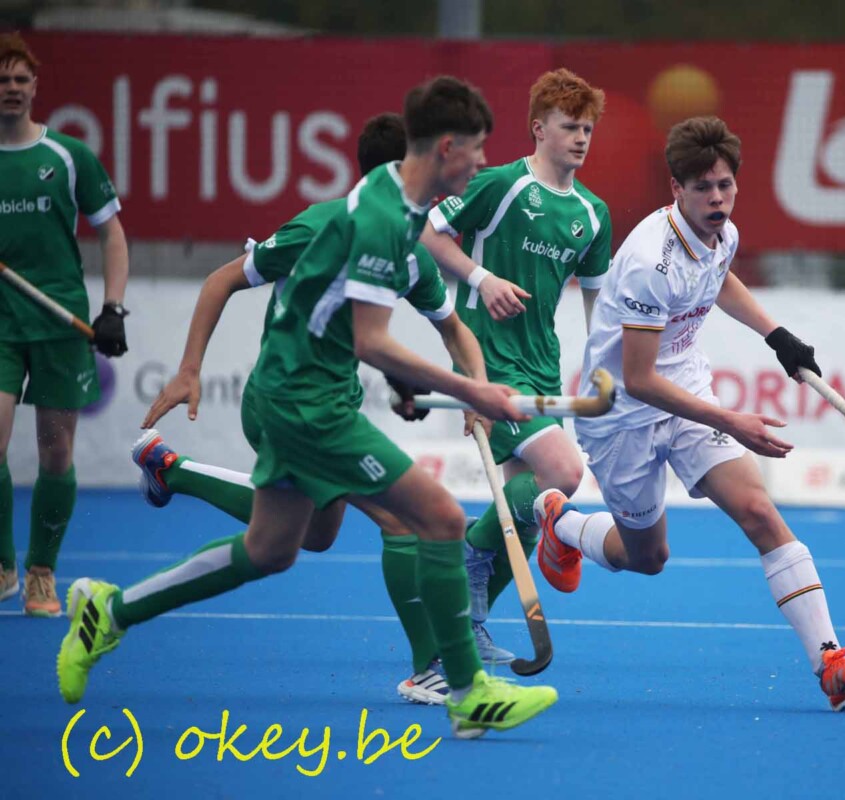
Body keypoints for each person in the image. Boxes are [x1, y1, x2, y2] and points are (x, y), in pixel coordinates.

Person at [57, 76, 558, 739]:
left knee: (272, 549)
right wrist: (473, 391)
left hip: (310, 394)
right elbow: (370, 340)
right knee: (437, 518)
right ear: (446, 147)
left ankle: (109, 611)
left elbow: (426, 327)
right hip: (305, 405)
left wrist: (450, 380)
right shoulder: (379, 219)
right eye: (477, 149)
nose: (483, 162)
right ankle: (463, 689)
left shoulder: (403, 216)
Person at [533, 116, 845, 712]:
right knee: (647, 559)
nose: (717, 198)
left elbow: (720, 280)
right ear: (677, 189)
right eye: (703, 188)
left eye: (725, 185)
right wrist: (730, 421)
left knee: (758, 511)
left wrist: (777, 336)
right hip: (622, 414)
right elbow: (641, 380)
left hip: (687, 392)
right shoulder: (651, 262)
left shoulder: (722, 233)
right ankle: (561, 523)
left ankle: (831, 666)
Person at [133, 112, 477, 705]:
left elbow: (452, 329)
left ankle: (171, 472)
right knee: (403, 520)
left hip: (333, 407)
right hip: (287, 406)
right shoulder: (319, 226)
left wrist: (477, 387)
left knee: (308, 538)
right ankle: (431, 670)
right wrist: (189, 369)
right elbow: (220, 281)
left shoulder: (411, 251)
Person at [419, 68, 610, 662]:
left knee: (520, 516)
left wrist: (607, 371)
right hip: (487, 357)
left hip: (542, 363)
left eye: (587, 129)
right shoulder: (502, 183)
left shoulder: (593, 213)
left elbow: (598, 308)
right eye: (569, 127)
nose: (581, 138)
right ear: (539, 129)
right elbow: (428, 234)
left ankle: (465, 629)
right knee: (563, 473)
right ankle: (469, 560)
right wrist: (482, 277)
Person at [0, 32, 130, 617]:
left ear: (35, 86)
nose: (11, 88)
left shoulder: (69, 156)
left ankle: (40, 572)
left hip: (59, 324)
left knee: (56, 455)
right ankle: (3, 565)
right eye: (2, 80)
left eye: (19, 79)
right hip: (1, 327)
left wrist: (113, 307)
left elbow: (111, 233)